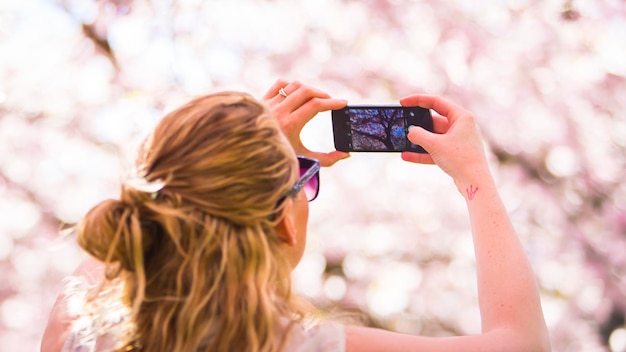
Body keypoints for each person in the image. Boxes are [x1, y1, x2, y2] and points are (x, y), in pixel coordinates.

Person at [41, 80, 551, 352]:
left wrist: (246, 148)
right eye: (304, 182)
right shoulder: (297, 346)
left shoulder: (83, 330)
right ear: (285, 222)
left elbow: (146, 213)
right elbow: (521, 346)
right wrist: (473, 177)